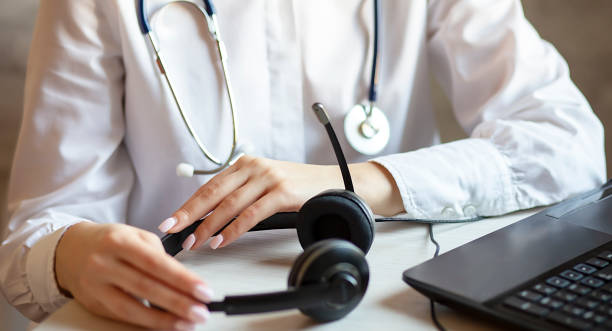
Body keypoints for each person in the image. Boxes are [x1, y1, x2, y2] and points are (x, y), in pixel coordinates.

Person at [0, 0, 605, 330]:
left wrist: (360, 183)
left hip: (402, 305)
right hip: (184, 313)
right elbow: (39, 226)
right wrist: (75, 255)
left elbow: (567, 142)